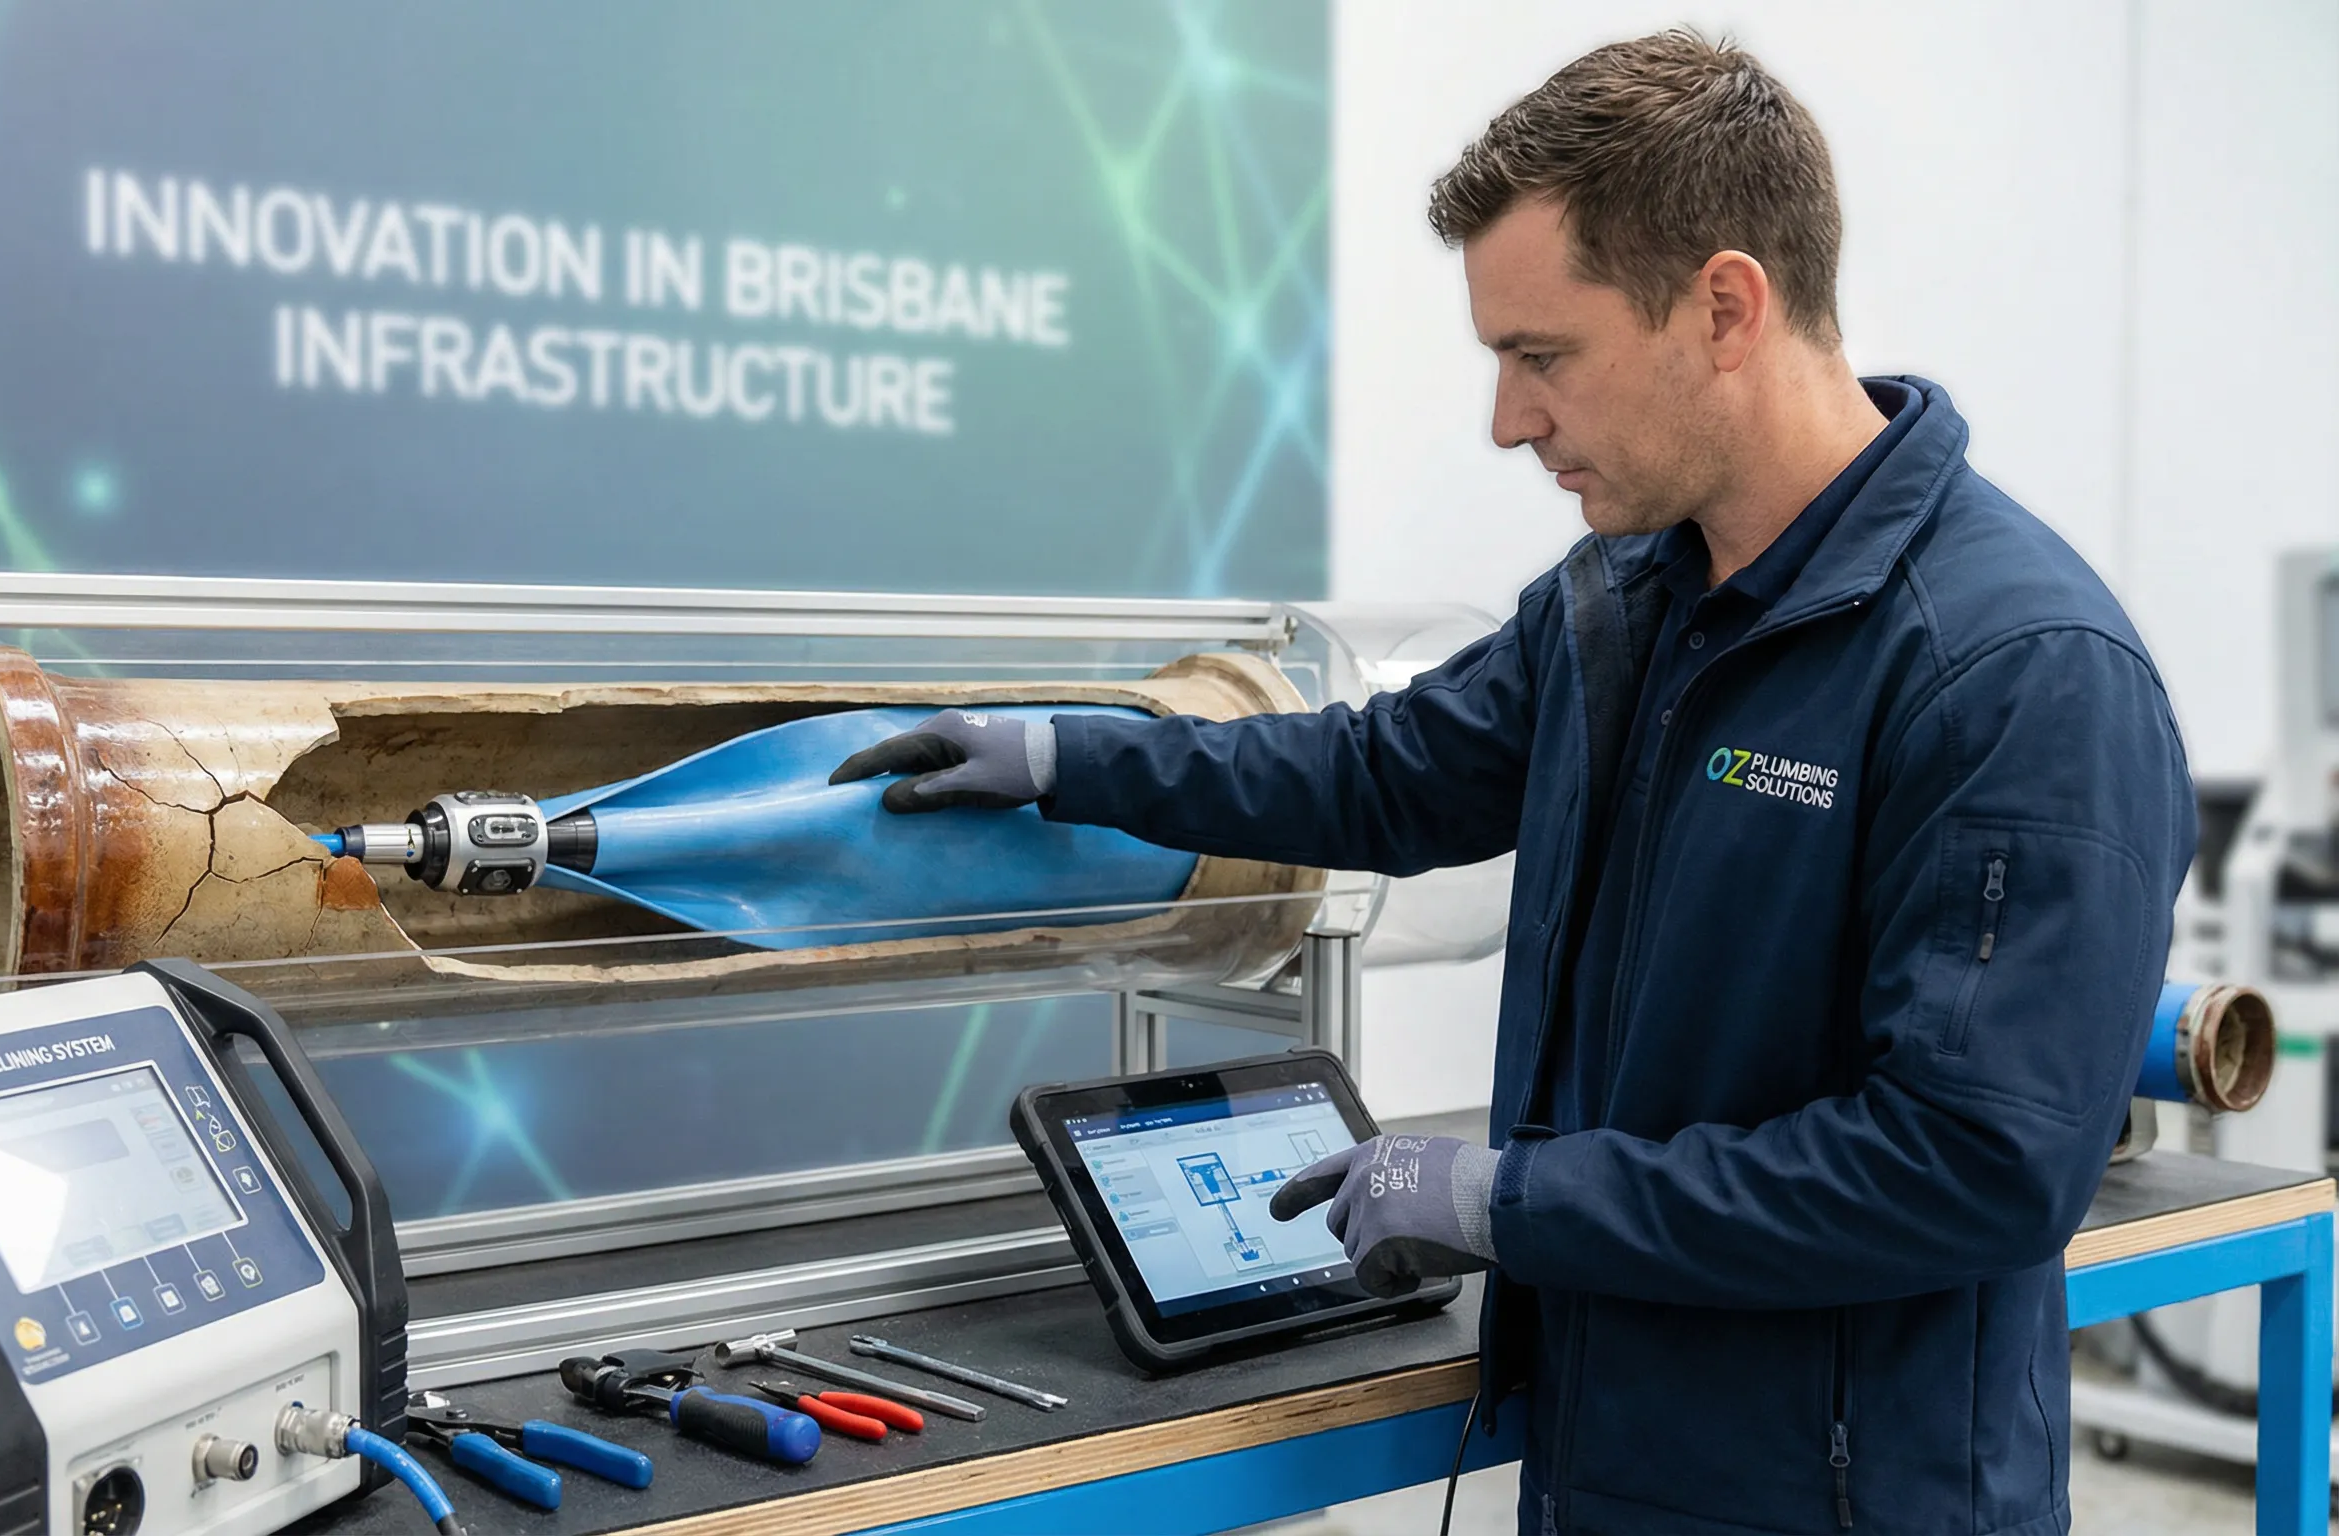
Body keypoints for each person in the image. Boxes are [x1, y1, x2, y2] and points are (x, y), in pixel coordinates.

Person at [830, 30, 2194, 1536]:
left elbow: (1969, 1167)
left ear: (1725, 308)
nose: (1508, 420)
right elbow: (1385, 778)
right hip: (1609, 1456)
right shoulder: (1625, 604)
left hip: (1852, 1500)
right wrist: (1069, 754)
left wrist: (1510, 1200)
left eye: (1543, 356)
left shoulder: (2014, 670)